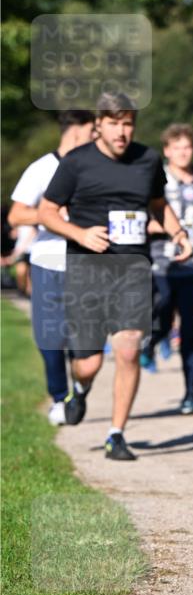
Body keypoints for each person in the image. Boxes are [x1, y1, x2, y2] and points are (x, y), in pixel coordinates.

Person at [38, 92, 192, 461]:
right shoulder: (76, 163)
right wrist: (80, 234)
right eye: (114, 123)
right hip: (86, 268)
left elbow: (157, 204)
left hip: (133, 268)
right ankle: (80, 387)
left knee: (127, 349)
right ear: (99, 125)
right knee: (89, 362)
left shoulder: (148, 159)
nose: (122, 131)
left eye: (128, 123)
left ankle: (116, 433)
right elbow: (46, 212)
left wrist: (178, 233)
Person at [9, 111, 95, 424]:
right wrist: (53, 216)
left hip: (87, 262)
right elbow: (16, 216)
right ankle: (59, 397)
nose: (96, 138)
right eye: (92, 131)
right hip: (48, 261)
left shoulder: (93, 166)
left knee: (84, 340)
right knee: (49, 336)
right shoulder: (42, 168)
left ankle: (79, 388)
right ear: (75, 132)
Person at [142, 124, 193, 414]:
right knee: (160, 316)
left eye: (187, 147)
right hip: (162, 262)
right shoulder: (156, 180)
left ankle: (191, 393)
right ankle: (149, 344)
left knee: (191, 330)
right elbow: (143, 218)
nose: (183, 152)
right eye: (177, 147)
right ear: (167, 151)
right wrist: (170, 229)